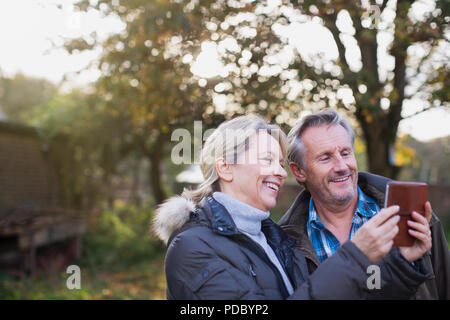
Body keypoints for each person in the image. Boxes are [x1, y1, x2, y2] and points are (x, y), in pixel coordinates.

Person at [153, 114, 431, 300]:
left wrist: (402, 262)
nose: (279, 172)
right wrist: (356, 256)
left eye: (280, 163)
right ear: (225, 167)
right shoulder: (192, 248)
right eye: (266, 159)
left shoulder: (276, 240)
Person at [279, 109, 450, 299]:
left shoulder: (414, 217)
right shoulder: (282, 244)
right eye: (325, 157)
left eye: (345, 153)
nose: (342, 166)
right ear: (298, 171)